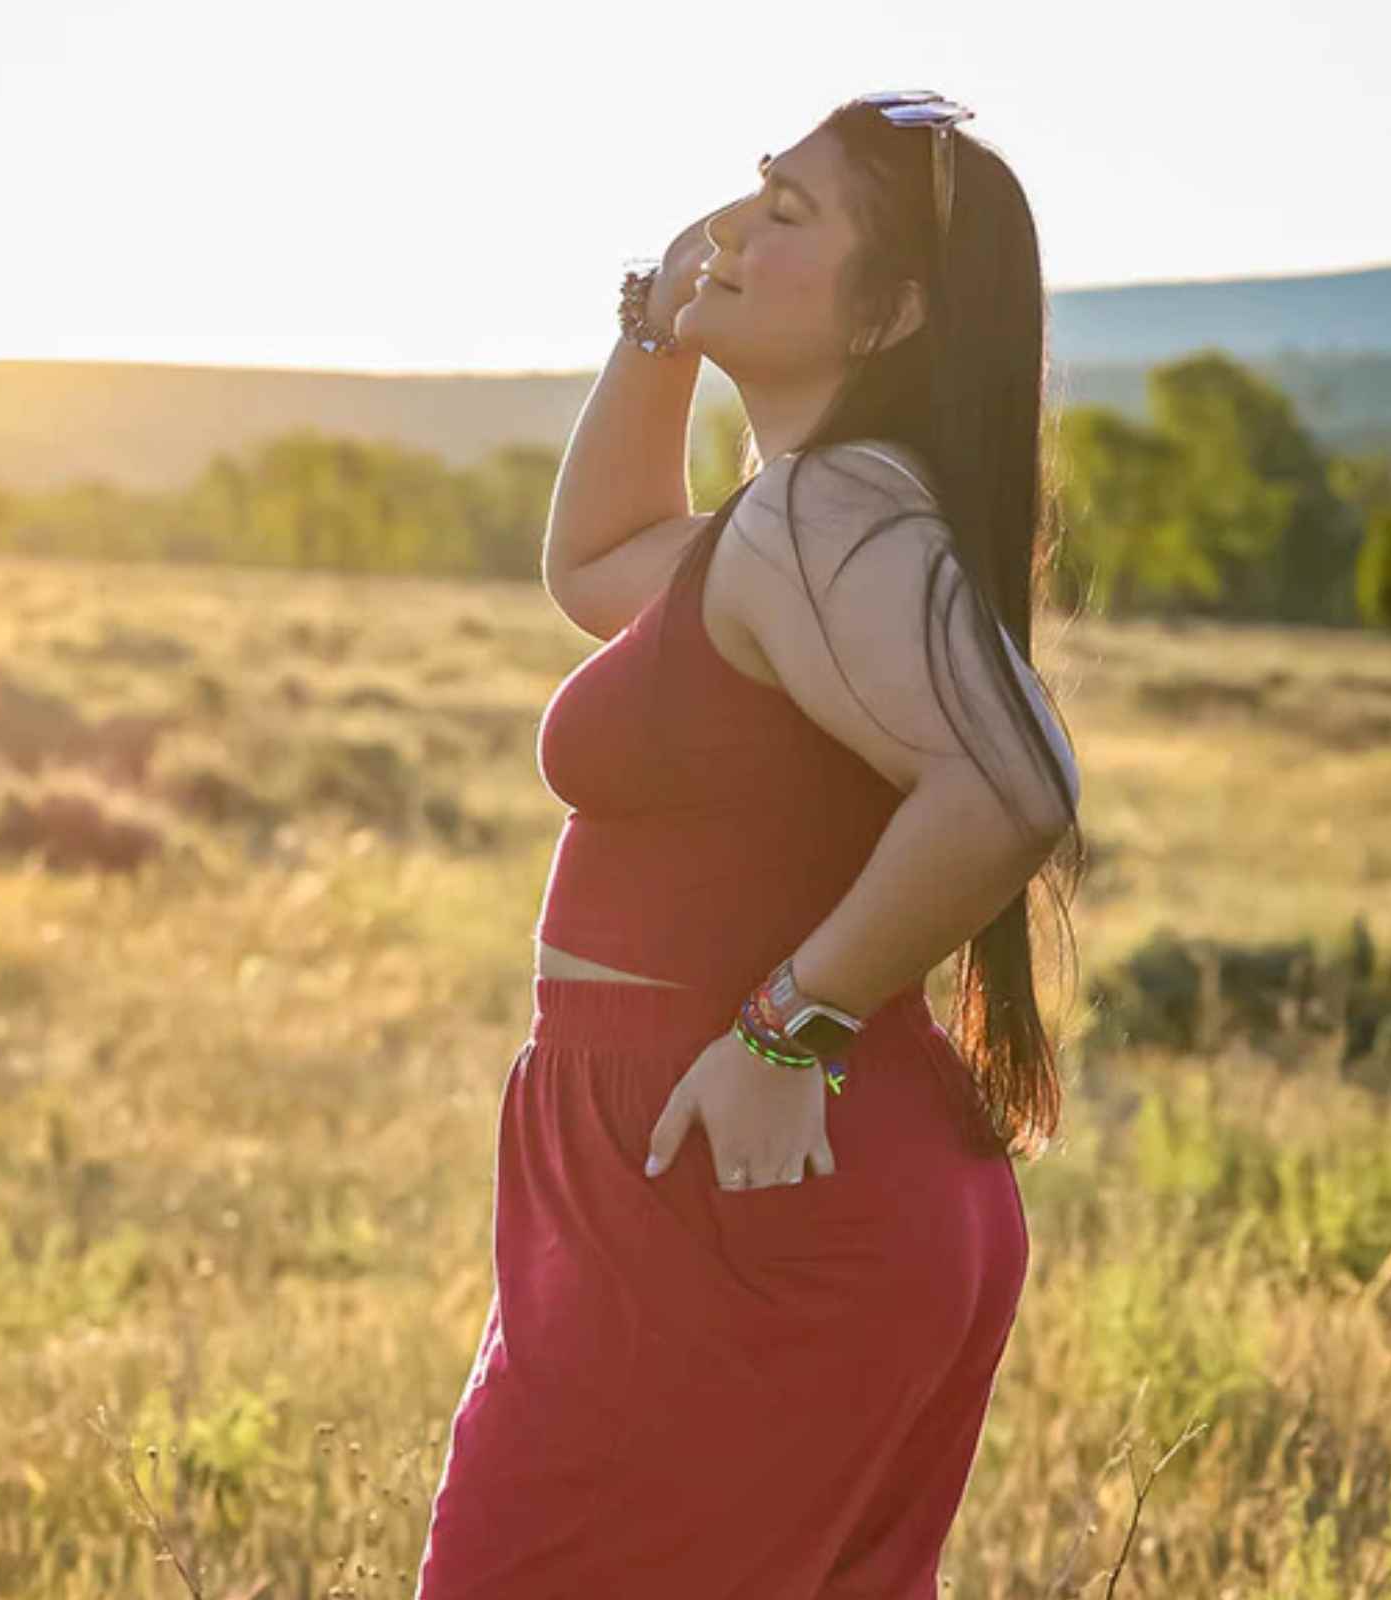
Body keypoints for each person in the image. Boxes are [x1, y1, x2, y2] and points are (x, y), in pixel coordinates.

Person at [416, 91, 1086, 1599]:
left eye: (789, 217)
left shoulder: (837, 514)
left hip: (754, 1171)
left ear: (892, 310)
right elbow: (594, 565)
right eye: (749, 191)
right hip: (725, 1168)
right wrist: (656, 329)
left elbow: (1014, 786)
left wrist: (787, 1029)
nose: (732, 227)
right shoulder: (782, 524)